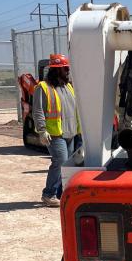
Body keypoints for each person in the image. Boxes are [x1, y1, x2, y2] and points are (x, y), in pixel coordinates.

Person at [32, 54, 82, 207]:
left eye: (67, 68)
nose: (67, 71)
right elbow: (38, 110)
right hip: (55, 134)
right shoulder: (43, 87)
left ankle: (61, 193)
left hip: (71, 132)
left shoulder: (68, 86)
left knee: (68, 164)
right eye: (65, 69)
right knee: (59, 161)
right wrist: (41, 130)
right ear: (56, 70)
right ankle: (48, 194)